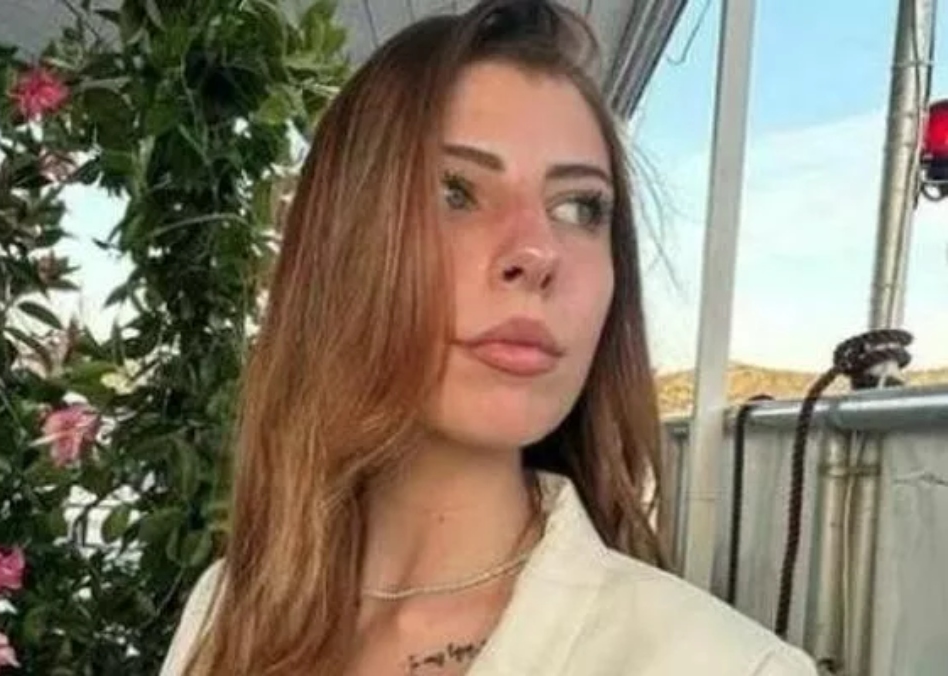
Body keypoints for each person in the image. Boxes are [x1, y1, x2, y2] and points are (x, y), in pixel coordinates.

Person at [161, 1, 818, 674]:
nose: (537, 251)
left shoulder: (732, 666)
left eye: (579, 206)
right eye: (454, 192)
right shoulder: (226, 609)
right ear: (337, 247)